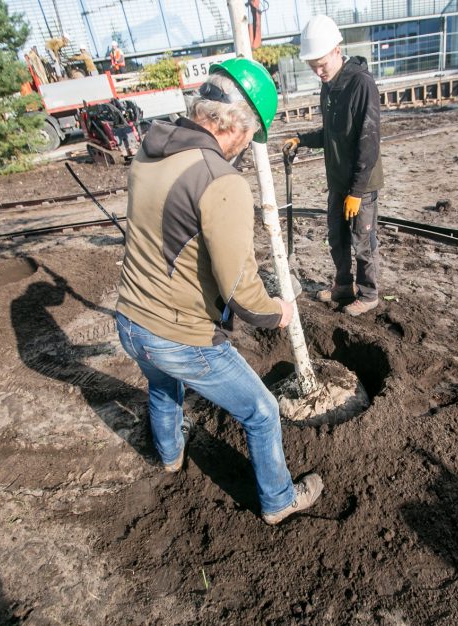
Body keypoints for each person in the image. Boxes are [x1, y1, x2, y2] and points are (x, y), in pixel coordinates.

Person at [115, 58, 323, 525]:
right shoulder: (219, 179)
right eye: (251, 136)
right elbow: (239, 288)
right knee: (262, 411)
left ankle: (169, 456)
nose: (247, 147)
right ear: (236, 125)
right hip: (178, 334)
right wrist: (278, 314)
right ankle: (278, 500)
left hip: (130, 320)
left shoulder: (149, 152)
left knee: (163, 387)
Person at [282, 15, 383, 316]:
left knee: (362, 241)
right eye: (312, 65)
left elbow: (369, 140)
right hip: (338, 181)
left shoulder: (361, 84)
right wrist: (301, 138)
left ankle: (369, 294)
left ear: (337, 50)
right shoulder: (328, 87)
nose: (318, 71)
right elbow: (331, 134)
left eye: (322, 63)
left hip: (360, 185)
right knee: (337, 237)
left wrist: (357, 190)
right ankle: (343, 284)